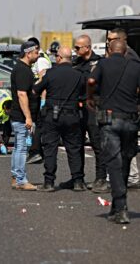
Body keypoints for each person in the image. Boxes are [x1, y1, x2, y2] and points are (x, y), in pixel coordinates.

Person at [87, 40, 140, 224]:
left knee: (114, 164)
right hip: (131, 119)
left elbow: (92, 80)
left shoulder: (103, 64)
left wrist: (90, 97)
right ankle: (116, 207)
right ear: (125, 52)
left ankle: (121, 208)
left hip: (110, 119)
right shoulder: (135, 66)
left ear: (109, 50)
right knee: (125, 162)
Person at [33, 46, 85, 192]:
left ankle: (49, 182)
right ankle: (78, 181)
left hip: (52, 116)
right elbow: (85, 92)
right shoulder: (79, 75)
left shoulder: (50, 73)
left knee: (50, 148)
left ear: (59, 58)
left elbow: (35, 90)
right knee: (74, 149)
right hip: (73, 115)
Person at [61, 35, 107, 193]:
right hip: (77, 108)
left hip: (93, 108)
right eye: (75, 47)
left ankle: (100, 178)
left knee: (97, 144)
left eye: (78, 47)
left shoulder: (99, 63)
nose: (75, 50)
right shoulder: (76, 63)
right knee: (76, 144)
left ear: (87, 47)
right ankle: (77, 178)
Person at [105, 28, 140, 190]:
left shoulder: (130, 57)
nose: (108, 42)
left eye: (111, 39)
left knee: (126, 145)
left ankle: (131, 176)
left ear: (121, 40)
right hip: (118, 107)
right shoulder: (116, 56)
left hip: (127, 108)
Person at [9, 41, 40, 191]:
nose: (38, 55)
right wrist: (28, 117)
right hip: (21, 117)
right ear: (28, 53)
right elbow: (22, 94)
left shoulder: (23, 69)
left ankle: (16, 177)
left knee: (17, 147)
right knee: (21, 148)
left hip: (18, 116)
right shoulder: (23, 70)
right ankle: (21, 180)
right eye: (36, 52)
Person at [27, 37, 52, 164]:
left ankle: (35, 152)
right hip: (38, 97)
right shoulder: (41, 58)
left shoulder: (41, 60)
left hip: (39, 98)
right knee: (38, 125)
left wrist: (43, 101)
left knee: (38, 125)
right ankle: (37, 151)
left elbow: (43, 81)